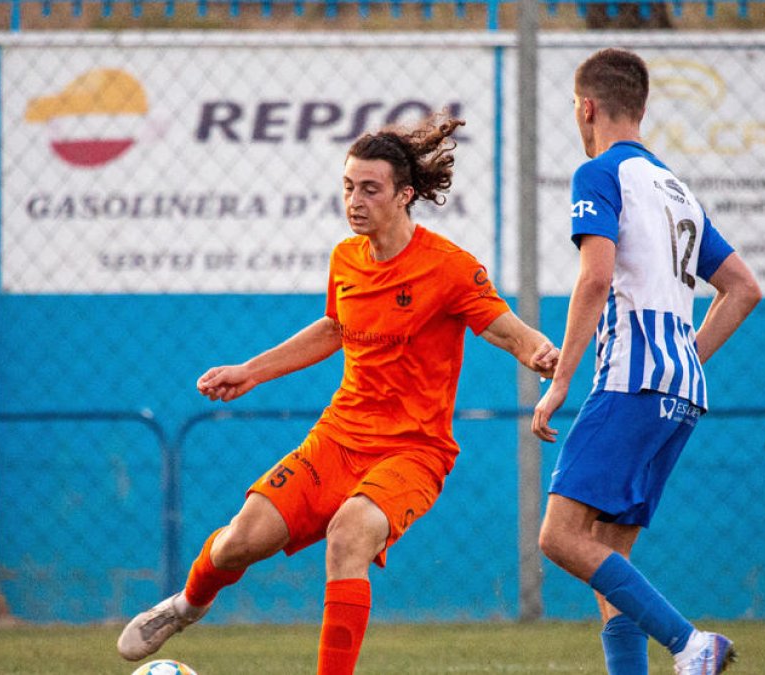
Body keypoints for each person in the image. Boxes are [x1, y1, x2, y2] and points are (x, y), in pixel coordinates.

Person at [117, 113, 559, 673]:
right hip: (338, 439)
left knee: (349, 534)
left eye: (370, 189)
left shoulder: (449, 268)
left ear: (404, 195)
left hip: (413, 452)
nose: (354, 200)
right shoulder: (346, 258)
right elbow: (334, 328)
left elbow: (504, 328)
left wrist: (539, 352)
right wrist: (251, 371)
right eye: (348, 186)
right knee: (237, 542)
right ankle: (186, 605)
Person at [531, 48, 761, 675]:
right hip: (680, 391)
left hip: (631, 382)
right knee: (610, 557)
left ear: (587, 108)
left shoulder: (600, 173)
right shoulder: (675, 189)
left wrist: (560, 381)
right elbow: (743, 288)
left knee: (560, 537)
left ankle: (691, 644)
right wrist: (687, 355)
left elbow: (594, 278)